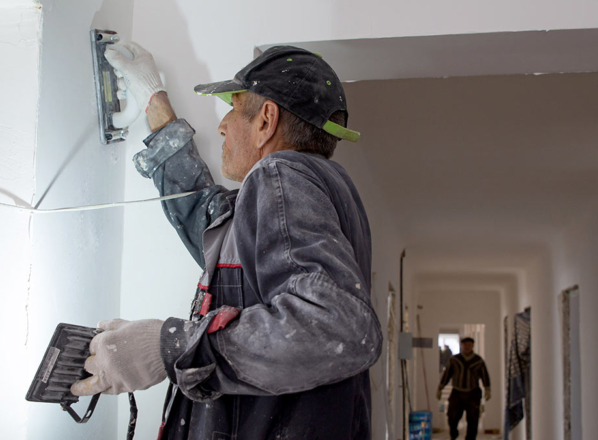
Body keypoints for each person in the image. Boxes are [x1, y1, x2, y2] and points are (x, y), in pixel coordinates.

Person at [69, 42, 382, 440]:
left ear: (266, 120)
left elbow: (338, 329)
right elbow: (207, 220)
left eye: (234, 107)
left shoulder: (280, 175)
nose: (222, 125)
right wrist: (154, 99)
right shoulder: (317, 191)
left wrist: (171, 348)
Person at [436, 337, 491, 440]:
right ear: (461, 346)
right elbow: (447, 374)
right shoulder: (454, 360)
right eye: (465, 345)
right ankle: (454, 434)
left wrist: (487, 389)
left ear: (472, 346)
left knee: (473, 419)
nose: (467, 347)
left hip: (473, 393)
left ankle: (470, 438)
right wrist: (440, 388)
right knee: (452, 416)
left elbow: (485, 375)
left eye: (469, 345)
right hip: (457, 392)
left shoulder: (478, 361)